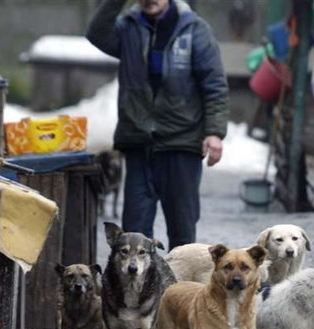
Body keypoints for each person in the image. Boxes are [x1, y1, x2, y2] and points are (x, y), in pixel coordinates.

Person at [86, 0, 228, 250]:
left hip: (181, 142)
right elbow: (96, 34)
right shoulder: (128, 28)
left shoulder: (194, 29)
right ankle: (140, 289)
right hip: (139, 142)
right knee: (133, 234)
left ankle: (181, 288)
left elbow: (214, 85)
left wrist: (214, 133)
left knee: (182, 232)